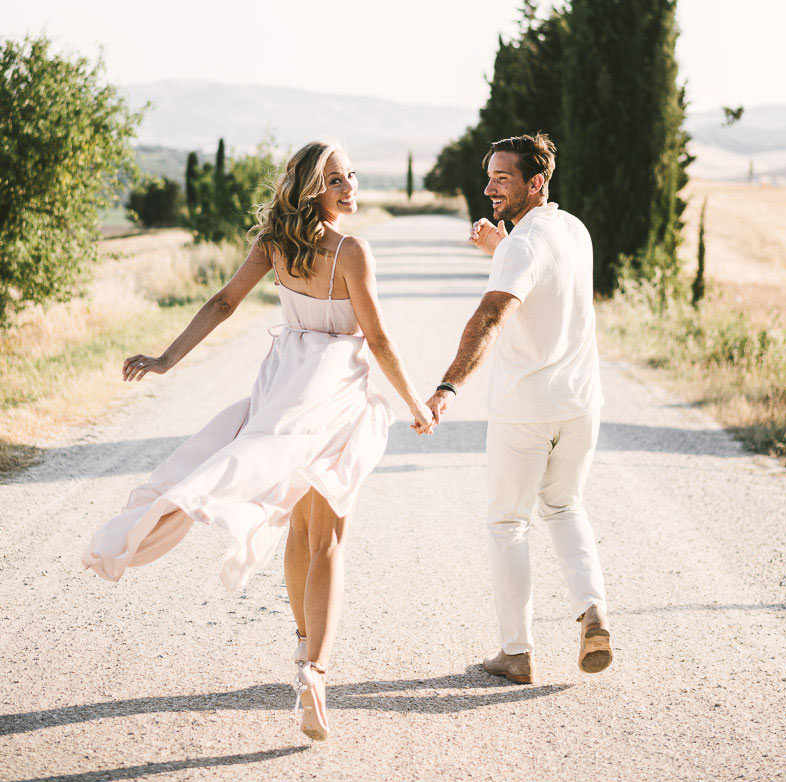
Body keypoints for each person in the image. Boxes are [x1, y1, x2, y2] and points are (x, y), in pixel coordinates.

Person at [83, 140, 434, 741]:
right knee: (325, 538)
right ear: (311, 189)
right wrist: (415, 403)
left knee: (298, 527)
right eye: (335, 181)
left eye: (350, 175)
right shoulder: (351, 251)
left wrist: (167, 359)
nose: (349, 187)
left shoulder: (276, 244)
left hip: (282, 389)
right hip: (333, 398)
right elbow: (376, 339)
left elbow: (223, 303)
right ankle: (315, 674)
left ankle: (303, 651)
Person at [426, 133, 611, 683]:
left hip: (525, 409)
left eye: (501, 178)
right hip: (581, 405)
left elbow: (491, 316)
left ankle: (516, 652)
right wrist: (500, 248)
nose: (487, 188)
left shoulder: (520, 247)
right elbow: (543, 277)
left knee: (508, 522)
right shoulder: (572, 230)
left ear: (536, 182)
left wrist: (447, 387)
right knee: (565, 507)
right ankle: (593, 610)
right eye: (489, 177)